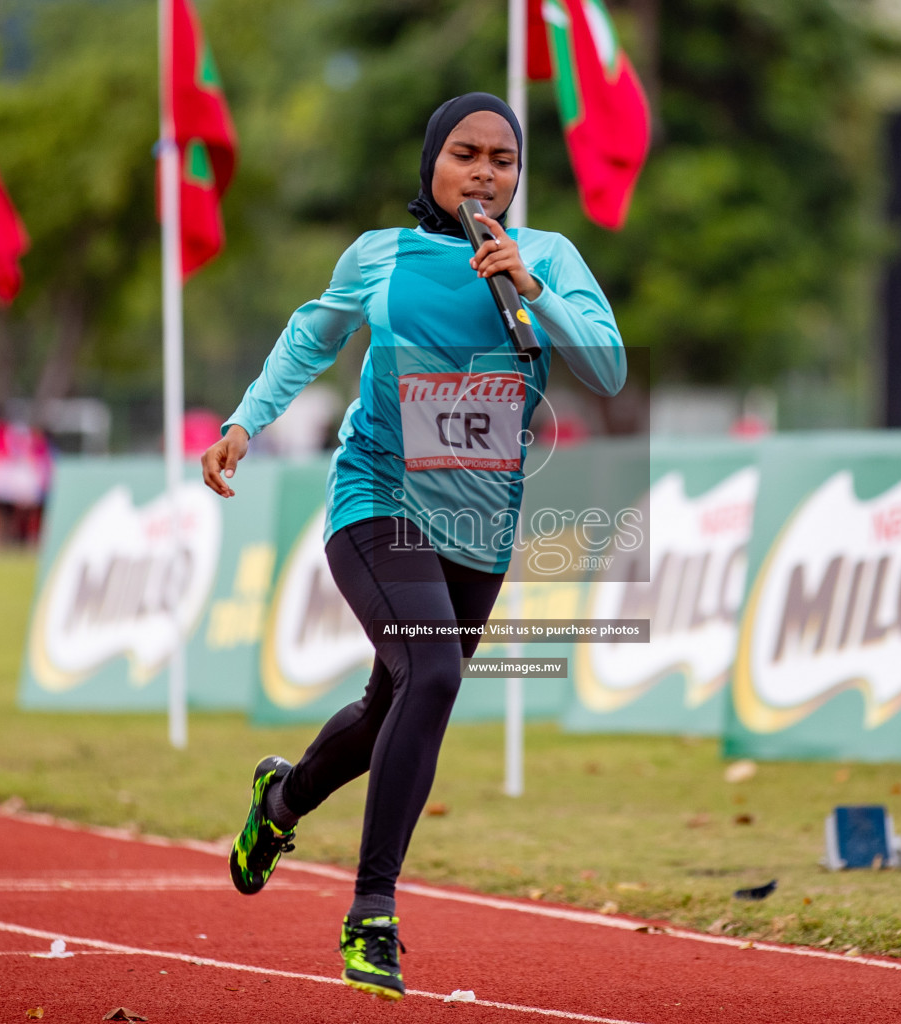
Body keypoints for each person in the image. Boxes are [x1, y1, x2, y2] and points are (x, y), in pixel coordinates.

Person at [199, 92, 626, 1002]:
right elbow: (310, 337)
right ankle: (373, 915)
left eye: (502, 160)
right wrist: (245, 421)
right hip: (377, 498)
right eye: (465, 155)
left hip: (480, 523)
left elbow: (606, 366)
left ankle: (280, 802)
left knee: (390, 702)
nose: (484, 173)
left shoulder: (546, 258)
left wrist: (534, 291)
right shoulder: (380, 256)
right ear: (432, 163)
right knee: (434, 675)